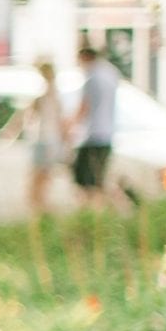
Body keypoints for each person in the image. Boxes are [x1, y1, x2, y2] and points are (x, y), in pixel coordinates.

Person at [68, 44, 120, 210]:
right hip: (107, 135)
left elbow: (84, 107)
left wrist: (69, 128)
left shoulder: (92, 78)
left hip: (92, 135)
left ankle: (93, 214)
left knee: (86, 182)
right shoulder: (110, 73)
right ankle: (106, 212)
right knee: (98, 180)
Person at [21, 60, 66, 215]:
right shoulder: (48, 94)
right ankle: (37, 205)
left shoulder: (50, 94)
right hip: (45, 140)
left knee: (42, 175)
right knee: (40, 175)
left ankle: (39, 205)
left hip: (47, 140)